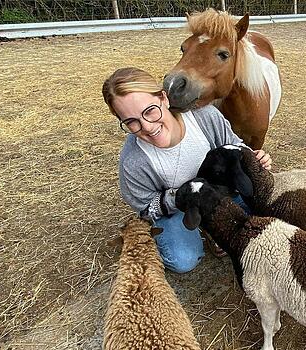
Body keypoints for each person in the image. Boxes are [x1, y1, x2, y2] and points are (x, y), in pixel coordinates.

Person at [102, 67, 272, 273]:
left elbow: (234, 145)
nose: (146, 126)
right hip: (180, 210)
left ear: (164, 98)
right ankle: (197, 229)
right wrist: (182, 198)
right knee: (182, 259)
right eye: (131, 122)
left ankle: (212, 224)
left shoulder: (205, 117)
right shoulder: (133, 161)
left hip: (221, 194)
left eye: (150, 111)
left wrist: (254, 159)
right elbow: (145, 208)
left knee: (267, 212)